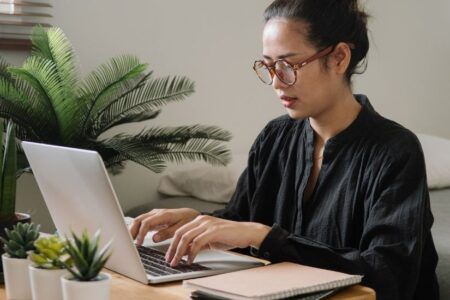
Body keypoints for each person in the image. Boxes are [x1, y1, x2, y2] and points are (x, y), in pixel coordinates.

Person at [130, 0, 439, 298]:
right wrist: (195, 220)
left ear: (339, 58)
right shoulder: (275, 136)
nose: (277, 82)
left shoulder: (394, 151)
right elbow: (241, 222)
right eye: (268, 66)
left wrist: (264, 237)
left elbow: (387, 277)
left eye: (288, 65)